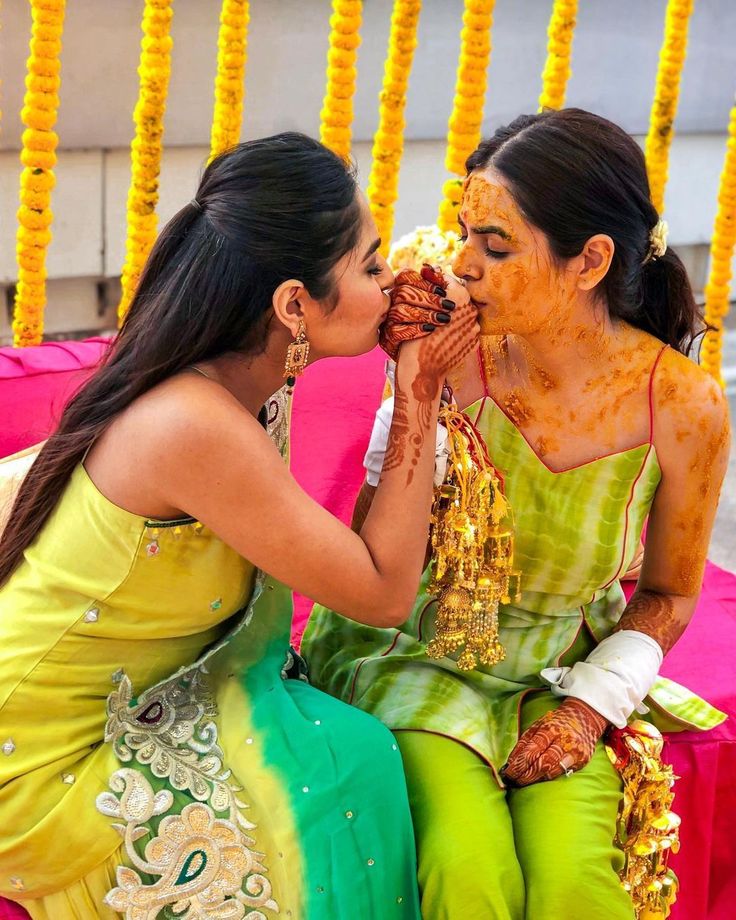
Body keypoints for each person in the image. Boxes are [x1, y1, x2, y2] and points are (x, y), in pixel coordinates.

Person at [0, 132, 478, 919]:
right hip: (40, 766)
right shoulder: (195, 423)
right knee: (346, 768)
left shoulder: (248, 382)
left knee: (348, 741)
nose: (390, 281)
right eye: (367, 265)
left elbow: (361, 559)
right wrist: (418, 394)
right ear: (293, 304)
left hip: (128, 694)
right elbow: (384, 591)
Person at [302, 109, 731, 920]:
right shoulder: (451, 356)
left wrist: (586, 710)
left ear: (591, 261)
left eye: (495, 247)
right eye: (467, 234)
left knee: (578, 891)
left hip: (562, 673)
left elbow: (671, 593)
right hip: (416, 656)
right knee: (469, 876)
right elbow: (370, 552)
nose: (462, 265)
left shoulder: (684, 404)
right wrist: (414, 393)